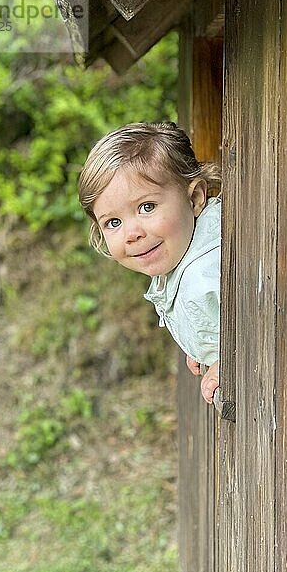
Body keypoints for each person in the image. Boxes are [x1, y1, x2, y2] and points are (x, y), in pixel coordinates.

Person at [78, 121, 220, 404]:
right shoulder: (182, 255)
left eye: (147, 207)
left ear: (194, 198)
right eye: (113, 222)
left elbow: (270, 323)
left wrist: (231, 358)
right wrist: (205, 344)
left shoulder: (208, 274)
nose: (132, 234)